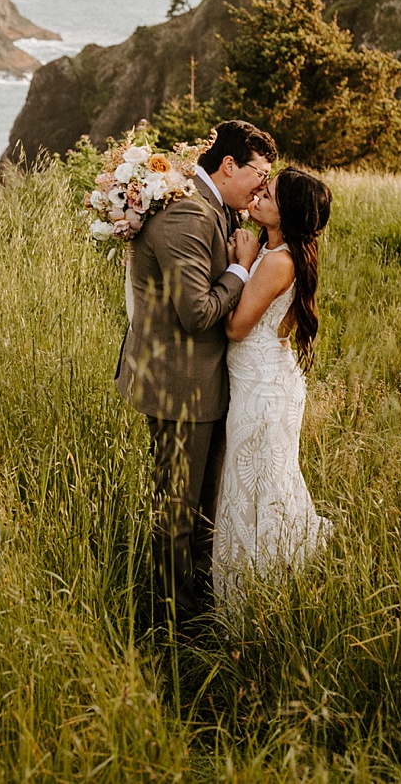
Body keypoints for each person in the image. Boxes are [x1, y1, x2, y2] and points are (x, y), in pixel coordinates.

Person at [114, 119, 275, 627]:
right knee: (178, 514)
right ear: (228, 165)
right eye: (260, 174)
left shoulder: (211, 206)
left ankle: (195, 603)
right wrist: (241, 269)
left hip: (195, 382)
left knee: (197, 507)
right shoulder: (189, 215)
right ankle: (173, 624)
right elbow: (198, 312)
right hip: (180, 385)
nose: (263, 188)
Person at [211, 167, 334, 606]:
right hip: (261, 381)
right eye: (263, 186)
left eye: (271, 194)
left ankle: (256, 596)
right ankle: (265, 584)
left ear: (288, 213)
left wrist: (241, 265)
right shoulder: (276, 247)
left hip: (263, 390)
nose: (260, 195)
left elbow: (236, 328)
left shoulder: (278, 260)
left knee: (258, 486)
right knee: (260, 482)